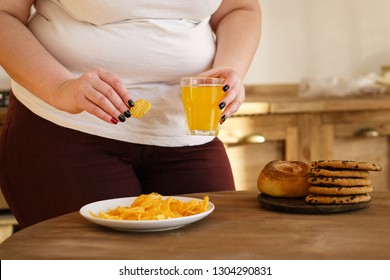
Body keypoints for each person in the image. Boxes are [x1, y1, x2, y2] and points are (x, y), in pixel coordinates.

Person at [0, 0, 261, 228]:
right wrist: (60, 88)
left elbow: (239, 7)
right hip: (67, 129)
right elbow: (5, 12)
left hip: (185, 133)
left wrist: (230, 67)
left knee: (215, 255)